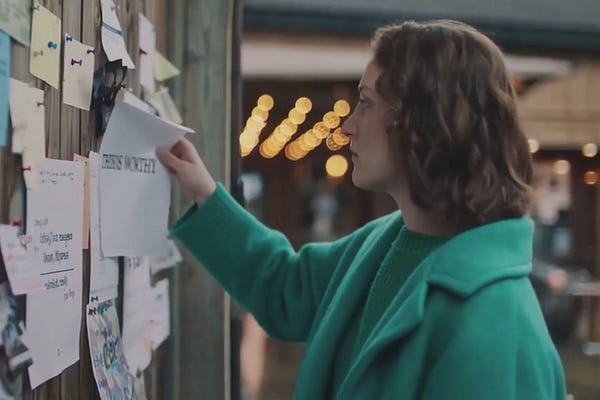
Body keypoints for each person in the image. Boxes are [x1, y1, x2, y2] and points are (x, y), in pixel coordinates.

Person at [156, 19, 566, 399]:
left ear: (424, 122)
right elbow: (285, 288)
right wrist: (205, 193)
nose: (348, 125)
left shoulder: (499, 328)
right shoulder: (382, 242)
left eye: (366, 103)